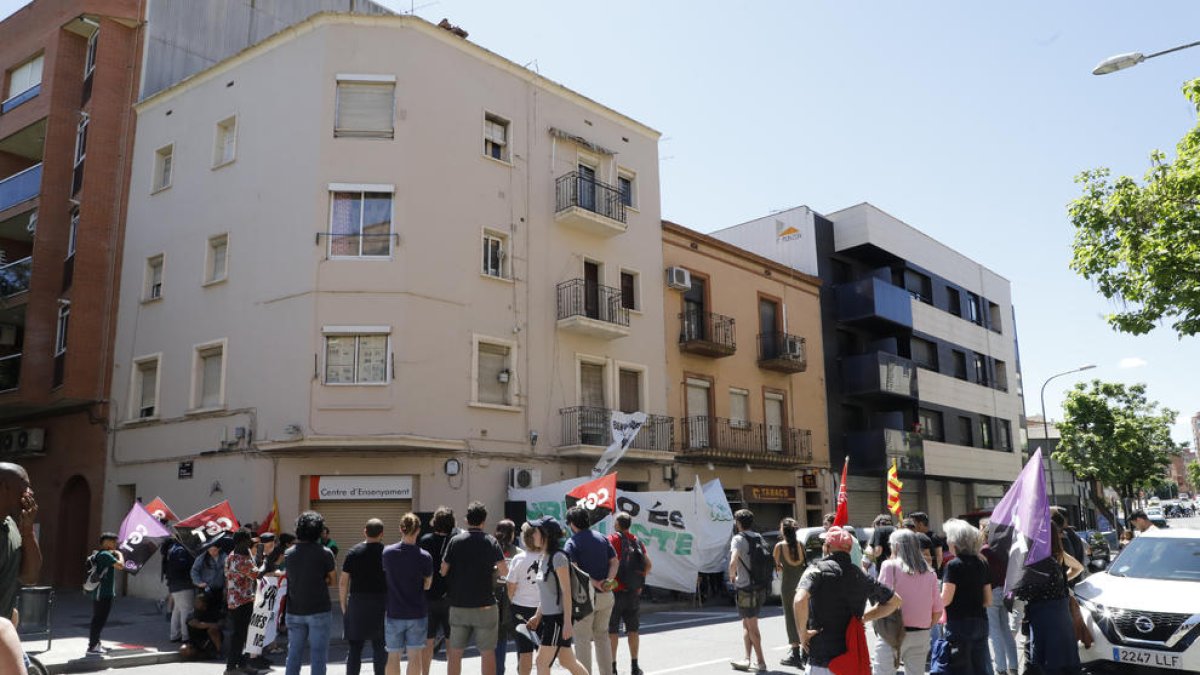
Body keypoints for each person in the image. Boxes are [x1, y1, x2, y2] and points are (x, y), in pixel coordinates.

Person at [794, 526, 902, 675]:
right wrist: (863, 618)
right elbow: (895, 601)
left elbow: (799, 600)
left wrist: (802, 633)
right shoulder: (861, 575)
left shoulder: (816, 569)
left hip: (822, 659)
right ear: (849, 549)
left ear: (827, 547)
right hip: (850, 659)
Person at [441, 501, 508, 675]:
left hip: (459, 605)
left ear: (466, 519)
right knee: (487, 652)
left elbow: (443, 570)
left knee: (455, 652)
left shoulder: (455, 541)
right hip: (485, 605)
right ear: (484, 521)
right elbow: (504, 571)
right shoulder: (491, 541)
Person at [1015, 522, 1084, 675]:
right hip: (1061, 616)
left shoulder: (1038, 561)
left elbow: (1025, 592)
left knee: (1048, 662)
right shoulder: (1055, 556)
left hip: (1045, 618)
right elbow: (1079, 567)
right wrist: (1062, 581)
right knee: (1066, 659)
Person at [524, 516, 591, 675]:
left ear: (545, 534)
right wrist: (537, 616)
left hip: (557, 619)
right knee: (567, 661)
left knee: (541, 662)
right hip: (549, 618)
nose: (533, 535)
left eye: (536, 532)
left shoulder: (558, 557)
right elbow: (548, 593)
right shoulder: (544, 557)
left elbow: (566, 591)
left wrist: (567, 623)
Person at [874, 529, 942, 675]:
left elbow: (882, 600)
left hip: (892, 632)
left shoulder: (889, 566)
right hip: (921, 634)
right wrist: (925, 626)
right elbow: (937, 611)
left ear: (897, 546)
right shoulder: (930, 572)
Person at [563, 506, 617, 675]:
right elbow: (614, 561)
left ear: (572, 524)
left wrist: (594, 583)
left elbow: (574, 570)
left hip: (584, 598)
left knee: (582, 640)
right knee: (602, 637)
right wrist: (607, 581)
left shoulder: (572, 543)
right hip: (606, 594)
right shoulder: (602, 538)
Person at [935, 519, 991, 675]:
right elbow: (988, 600)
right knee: (980, 667)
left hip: (959, 623)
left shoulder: (953, 565)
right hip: (981, 621)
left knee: (961, 668)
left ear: (955, 542)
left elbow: (946, 599)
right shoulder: (982, 563)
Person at [285, 511, 337, 675]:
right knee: (318, 656)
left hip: (294, 609)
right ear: (319, 531)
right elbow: (333, 581)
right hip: (319, 609)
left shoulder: (289, 554)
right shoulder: (326, 553)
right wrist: (321, 580)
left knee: (293, 654)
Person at [382, 513, 432, 675]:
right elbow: (427, 585)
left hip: (394, 611)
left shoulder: (387, 553)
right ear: (418, 530)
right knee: (415, 656)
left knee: (393, 656)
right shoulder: (425, 556)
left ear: (400, 529)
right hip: (417, 612)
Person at [342, 519, 388, 675]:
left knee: (355, 648)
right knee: (380, 647)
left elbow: (343, 582)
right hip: (381, 602)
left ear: (365, 531)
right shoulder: (387, 553)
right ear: (382, 534)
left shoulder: (353, 552)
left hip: (358, 602)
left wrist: (344, 606)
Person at [608, 511, 652, 675]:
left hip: (615, 591)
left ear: (617, 524)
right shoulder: (637, 541)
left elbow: (608, 562)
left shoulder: (611, 540)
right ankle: (634, 666)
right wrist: (639, 582)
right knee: (633, 630)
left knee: (612, 631)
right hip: (633, 592)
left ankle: (612, 668)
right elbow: (648, 565)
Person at [0, 462, 41, 624]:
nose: (30, 492)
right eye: (25, 486)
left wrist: (28, 531)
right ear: (4, 486)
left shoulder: (11, 525)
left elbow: (29, 577)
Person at [419, 507, 458, 673]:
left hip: (428, 596)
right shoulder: (455, 541)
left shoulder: (425, 540)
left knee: (427, 640)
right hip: (451, 597)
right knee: (451, 641)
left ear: (434, 522)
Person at [728, 509, 767, 672]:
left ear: (738, 523)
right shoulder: (758, 537)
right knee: (746, 623)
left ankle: (761, 662)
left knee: (752, 626)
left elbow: (733, 561)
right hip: (760, 586)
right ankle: (747, 659)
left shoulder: (738, 539)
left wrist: (732, 576)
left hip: (746, 588)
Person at [980, 523, 1017, 675]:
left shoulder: (985, 550)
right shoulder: (1007, 548)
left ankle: (1001, 668)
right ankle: (1013, 666)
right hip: (1007, 592)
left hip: (992, 591)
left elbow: (982, 573)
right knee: (1005, 629)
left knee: (994, 631)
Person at [507, 523, 543, 675]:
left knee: (524, 651)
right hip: (544, 608)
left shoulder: (518, 558)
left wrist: (511, 601)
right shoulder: (547, 557)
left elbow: (511, 585)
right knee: (543, 652)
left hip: (520, 608)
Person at [224, 529, 259, 675]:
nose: (250, 542)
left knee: (244, 635)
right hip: (241, 601)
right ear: (242, 541)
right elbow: (256, 574)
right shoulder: (241, 560)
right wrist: (260, 560)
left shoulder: (233, 555)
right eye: (248, 540)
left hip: (237, 600)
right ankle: (231, 668)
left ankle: (243, 664)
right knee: (239, 636)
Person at [773, 518, 806, 668]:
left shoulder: (779, 547)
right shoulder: (801, 545)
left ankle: (795, 654)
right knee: (804, 617)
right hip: (803, 586)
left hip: (787, 587)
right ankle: (806, 652)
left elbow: (776, 567)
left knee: (790, 618)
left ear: (782, 531)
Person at [86, 532, 125, 655]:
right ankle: (92, 646)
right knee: (99, 620)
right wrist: (120, 554)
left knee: (99, 619)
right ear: (106, 542)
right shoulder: (105, 555)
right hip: (102, 593)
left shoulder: (103, 554)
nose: (115, 544)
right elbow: (121, 566)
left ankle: (96, 644)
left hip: (103, 593)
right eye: (113, 542)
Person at [493, 519, 519, 675]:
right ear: (512, 534)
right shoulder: (519, 553)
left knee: (498, 638)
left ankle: (499, 672)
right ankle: (522, 670)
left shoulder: (489, 551)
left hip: (494, 598)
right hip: (515, 598)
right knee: (520, 637)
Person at [162, 538, 196, 642]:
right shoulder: (181, 550)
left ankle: (175, 635)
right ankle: (185, 636)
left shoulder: (172, 549)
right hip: (184, 584)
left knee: (177, 610)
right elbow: (183, 566)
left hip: (174, 585)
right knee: (186, 610)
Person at [180, 591, 223, 661]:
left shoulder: (212, 612)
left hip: (210, 640)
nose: (195, 603)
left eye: (198, 602)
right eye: (196, 601)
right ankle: (204, 655)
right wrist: (211, 624)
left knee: (212, 630)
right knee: (183, 649)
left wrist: (216, 625)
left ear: (204, 603)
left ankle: (218, 652)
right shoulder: (192, 613)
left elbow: (221, 622)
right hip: (196, 642)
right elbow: (195, 624)